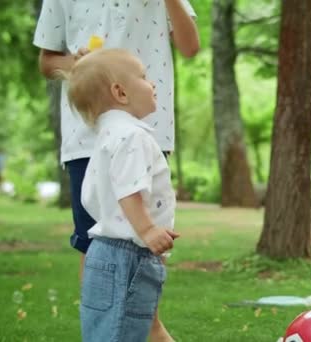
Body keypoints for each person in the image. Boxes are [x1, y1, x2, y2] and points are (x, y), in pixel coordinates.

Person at [33, 1, 199, 340]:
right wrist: (79, 65)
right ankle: (110, 328)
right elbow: (47, 61)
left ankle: (139, 327)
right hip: (86, 135)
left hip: (148, 125)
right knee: (94, 242)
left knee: (143, 252)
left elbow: (190, 46)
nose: (146, 79)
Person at [59, 48, 180, 342]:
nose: (152, 84)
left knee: (106, 330)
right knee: (122, 333)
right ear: (120, 93)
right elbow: (130, 190)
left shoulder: (107, 137)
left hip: (104, 251)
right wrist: (148, 229)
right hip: (128, 255)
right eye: (143, 76)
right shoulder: (132, 137)